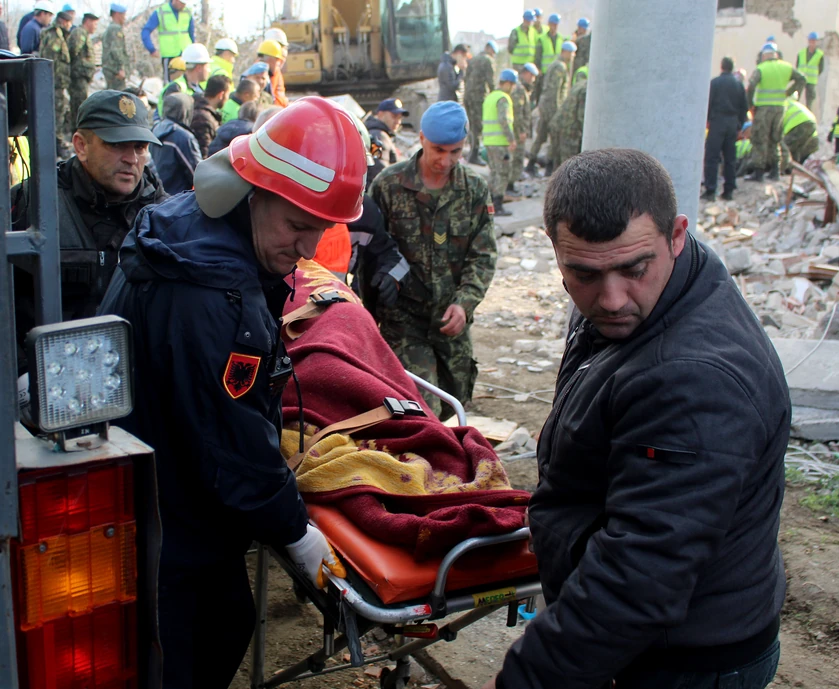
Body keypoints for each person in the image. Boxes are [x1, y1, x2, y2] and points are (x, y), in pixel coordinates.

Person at [485, 148, 789, 689]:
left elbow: (638, 579)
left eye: (633, 269)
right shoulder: (664, 292)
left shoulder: (692, 378)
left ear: (677, 234)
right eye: (583, 273)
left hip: (682, 662)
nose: (611, 299)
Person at [98, 96, 361, 688]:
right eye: (297, 227)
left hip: (159, 474)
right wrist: (295, 531)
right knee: (193, 646)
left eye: (319, 231)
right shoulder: (213, 295)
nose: (307, 250)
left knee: (223, 621)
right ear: (256, 190)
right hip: (173, 514)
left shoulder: (193, 224)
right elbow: (231, 447)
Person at [10, 90, 167, 365]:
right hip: (55, 378)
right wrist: (22, 374)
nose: (131, 159)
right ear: (81, 146)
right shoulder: (30, 205)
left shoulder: (164, 215)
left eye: (140, 147)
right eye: (117, 145)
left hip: (141, 378)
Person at [369, 101, 497, 419]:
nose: (446, 160)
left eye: (455, 151)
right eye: (438, 149)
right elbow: (366, 255)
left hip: (449, 322)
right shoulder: (388, 186)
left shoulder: (474, 190)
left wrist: (464, 303)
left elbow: (483, 256)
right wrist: (369, 319)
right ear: (422, 138)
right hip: (404, 322)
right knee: (422, 409)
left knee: (456, 399)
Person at [745, 44, 805, 182]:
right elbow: (802, 79)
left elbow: (752, 85)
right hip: (780, 108)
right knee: (775, 139)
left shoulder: (761, 68)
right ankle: (775, 171)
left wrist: (750, 105)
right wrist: (788, 93)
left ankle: (758, 172)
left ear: (764, 55)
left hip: (764, 108)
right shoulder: (786, 67)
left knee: (760, 138)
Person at [526, 40, 576, 176]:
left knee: (541, 136)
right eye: (571, 53)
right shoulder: (560, 67)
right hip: (551, 108)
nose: (573, 56)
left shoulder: (556, 65)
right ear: (565, 52)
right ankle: (549, 168)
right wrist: (558, 112)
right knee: (554, 139)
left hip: (546, 106)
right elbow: (555, 91)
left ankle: (531, 163)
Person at [703, 56, 749, 201]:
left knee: (712, 157)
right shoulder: (738, 85)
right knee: (730, 158)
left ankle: (711, 190)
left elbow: (707, 103)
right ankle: (728, 191)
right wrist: (739, 126)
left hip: (717, 122)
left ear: (722, 67)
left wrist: (708, 121)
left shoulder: (715, 83)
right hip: (732, 124)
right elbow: (744, 107)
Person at [483, 69, 518, 216]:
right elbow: (504, 120)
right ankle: (497, 206)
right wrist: (511, 139)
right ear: (508, 83)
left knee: (494, 172)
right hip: (500, 142)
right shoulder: (503, 98)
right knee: (502, 174)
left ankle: (489, 204)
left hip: (489, 141)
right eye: (513, 85)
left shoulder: (490, 97)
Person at [151, 92, 201, 194]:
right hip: (178, 200)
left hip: (156, 196)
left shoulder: (153, 130)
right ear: (186, 111)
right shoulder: (183, 137)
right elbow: (198, 175)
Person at [40, 10, 72, 158]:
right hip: (54, 83)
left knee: (59, 112)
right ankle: (55, 146)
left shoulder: (59, 35)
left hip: (58, 83)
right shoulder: (54, 36)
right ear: (64, 22)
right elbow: (50, 61)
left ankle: (56, 144)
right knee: (56, 114)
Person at [141, 0, 195, 81]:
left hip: (186, 54)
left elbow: (191, 33)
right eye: (182, 3)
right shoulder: (161, 12)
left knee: (189, 81)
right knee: (169, 83)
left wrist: (194, 49)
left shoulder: (187, 11)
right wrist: (151, 49)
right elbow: (146, 31)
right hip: (169, 55)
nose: (184, 5)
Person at [463, 40, 498, 165]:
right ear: (489, 49)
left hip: (468, 96)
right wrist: (496, 96)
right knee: (478, 126)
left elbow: (466, 78)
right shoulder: (488, 60)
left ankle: (472, 152)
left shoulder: (473, 59)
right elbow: (491, 81)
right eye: (493, 52)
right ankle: (474, 155)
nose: (493, 54)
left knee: (472, 125)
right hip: (478, 97)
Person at [67, 11, 98, 133]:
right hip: (78, 77)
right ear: (88, 22)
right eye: (94, 24)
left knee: (81, 103)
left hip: (83, 76)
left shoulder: (85, 34)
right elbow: (73, 52)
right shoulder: (79, 33)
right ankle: (78, 132)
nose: (95, 27)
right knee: (79, 105)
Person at [159, 42, 210, 115]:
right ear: (198, 68)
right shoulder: (176, 88)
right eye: (207, 67)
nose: (209, 70)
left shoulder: (200, 89)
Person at [509, 63, 537, 190]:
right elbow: (518, 112)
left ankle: (511, 183)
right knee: (516, 158)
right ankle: (510, 185)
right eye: (532, 76)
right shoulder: (519, 89)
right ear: (526, 74)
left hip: (517, 129)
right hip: (517, 130)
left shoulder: (522, 88)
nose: (533, 79)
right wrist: (521, 131)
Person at [549, 76, 588, 168]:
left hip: (559, 124)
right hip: (570, 130)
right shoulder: (586, 91)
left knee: (559, 163)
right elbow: (581, 117)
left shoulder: (580, 84)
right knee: (569, 166)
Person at [191, 74, 232, 158]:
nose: (228, 99)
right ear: (221, 95)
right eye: (228, 94)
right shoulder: (203, 118)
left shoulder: (202, 111)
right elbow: (205, 153)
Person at [365, 97, 407, 170]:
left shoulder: (380, 134)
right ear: (381, 114)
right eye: (394, 116)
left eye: (400, 118)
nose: (398, 121)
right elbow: (378, 168)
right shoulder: (378, 136)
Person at [780, 97, 819, 169]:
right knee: (796, 150)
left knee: (783, 148)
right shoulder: (788, 102)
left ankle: (782, 169)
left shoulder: (777, 105)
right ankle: (791, 169)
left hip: (799, 124)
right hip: (810, 123)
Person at [533, 13, 563, 105]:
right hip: (545, 73)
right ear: (549, 24)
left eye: (556, 24)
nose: (554, 26)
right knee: (542, 96)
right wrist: (539, 70)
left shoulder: (561, 39)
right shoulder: (542, 39)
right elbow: (538, 56)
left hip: (557, 73)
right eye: (552, 24)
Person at [102, 3, 130, 90]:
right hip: (115, 71)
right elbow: (116, 50)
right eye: (123, 15)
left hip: (111, 70)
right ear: (117, 14)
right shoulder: (115, 29)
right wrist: (121, 69)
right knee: (119, 98)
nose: (125, 18)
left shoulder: (110, 28)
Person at [796, 31, 824, 110]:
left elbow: (821, 68)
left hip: (811, 80)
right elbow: (797, 65)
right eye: (811, 41)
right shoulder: (801, 53)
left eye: (814, 41)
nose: (812, 43)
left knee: (810, 99)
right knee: (796, 95)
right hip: (801, 78)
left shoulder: (820, 54)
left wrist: (814, 74)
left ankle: (808, 112)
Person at [257, 39, 289, 107]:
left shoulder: (267, 75)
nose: (279, 64)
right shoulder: (259, 78)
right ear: (270, 59)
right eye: (277, 60)